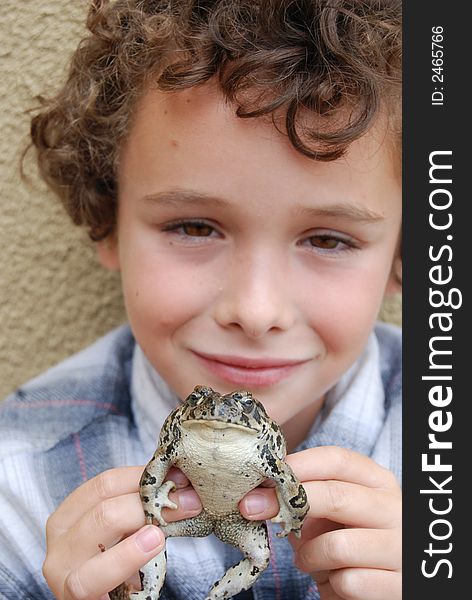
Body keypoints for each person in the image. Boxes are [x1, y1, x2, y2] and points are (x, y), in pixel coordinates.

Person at [0, 0, 402, 599]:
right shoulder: (18, 488)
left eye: (328, 239)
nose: (256, 310)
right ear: (108, 219)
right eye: (193, 227)